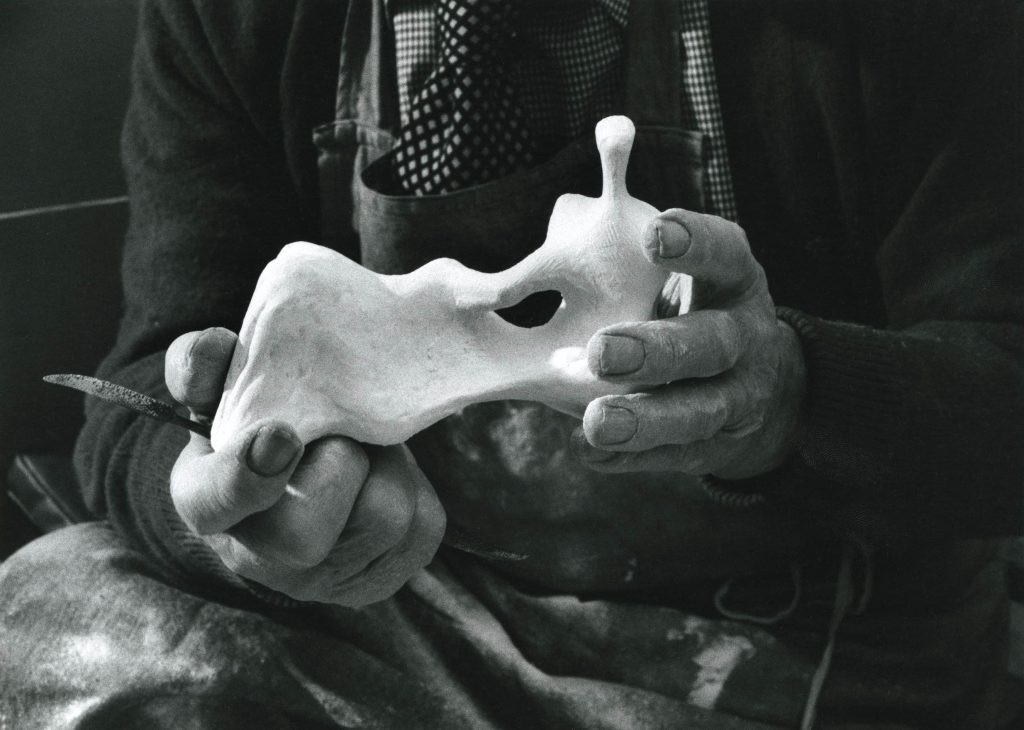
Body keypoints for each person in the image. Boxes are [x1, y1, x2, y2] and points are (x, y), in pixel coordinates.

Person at [1, 0, 1021, 727]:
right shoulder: (239, 16)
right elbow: (150, 376)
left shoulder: (908, 24)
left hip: (799, 644)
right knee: (50, 614)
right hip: (422, 616)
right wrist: (225, 501)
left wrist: (797, 390)